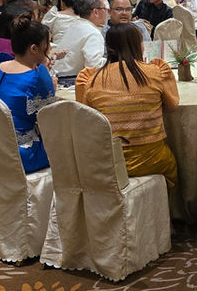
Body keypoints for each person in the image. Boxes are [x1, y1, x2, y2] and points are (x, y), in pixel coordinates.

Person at [76, 23, 179, 190]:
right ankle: (166, 212)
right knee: (173, 164)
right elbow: (172, 105)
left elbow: (86, 117)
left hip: (108, 162)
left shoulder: (91, 79)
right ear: (139, 45)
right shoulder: (155, 72)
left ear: (108, 47)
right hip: (152, 159)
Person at [0, 15, 54, 173]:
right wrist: (45, 70)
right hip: (20, 153)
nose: (49, 48)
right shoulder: (36, 77)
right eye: (47, 43)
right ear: (34, 48)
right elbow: (49, 120)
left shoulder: (0, 66)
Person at [54, 0, 107, 79]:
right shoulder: (92, 32)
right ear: (96, 12)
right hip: (71, 79)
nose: (106, 12)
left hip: (57, 75)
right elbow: (93, 65)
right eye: (104, 8)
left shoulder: (75, 25)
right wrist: (111, 62)